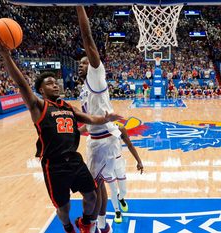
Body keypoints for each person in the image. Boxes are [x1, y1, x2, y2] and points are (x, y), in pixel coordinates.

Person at [0, 39, 123, 233]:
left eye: (55, 82)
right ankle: (68, 227)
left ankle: (86, 223)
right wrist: (6, 56)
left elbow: (89, 119)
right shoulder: (39, 106)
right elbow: (21, 84)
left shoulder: (67, 107)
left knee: (92, 195)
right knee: (63, 207)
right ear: (41, 90)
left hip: (75, 160)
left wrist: (105, 118)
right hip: (54, 165)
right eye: (49, 83)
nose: (54, 85)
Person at [77, 6, 122, 233]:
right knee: (99, 184)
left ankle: (94, 226)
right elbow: (87, 121)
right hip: (96, 139)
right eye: (81, 63)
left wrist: (78, 5)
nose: (81, 64)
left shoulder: (96, 76)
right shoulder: (83, 89)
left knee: (92, 189)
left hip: (103, 140)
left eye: (85, 62)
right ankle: (103, 226)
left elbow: (88, 38)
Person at [79, 125, 144, 223]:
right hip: (106, 164)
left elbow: (130, 145)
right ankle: (117, 211)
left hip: (118, 162)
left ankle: (121, 198)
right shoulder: (94, 132)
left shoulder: (119, 129)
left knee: (123, 190)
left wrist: (139, 161)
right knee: (113, 190)